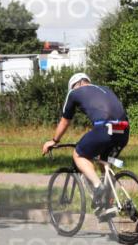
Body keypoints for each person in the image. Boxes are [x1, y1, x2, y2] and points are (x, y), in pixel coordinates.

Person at [41, 73, 130, 213]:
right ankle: (109, 202)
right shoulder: (105, 89)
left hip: (104, 128)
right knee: (104, 162)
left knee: (78, 154)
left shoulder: (73, 93)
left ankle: (98, 187)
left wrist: (54, 141)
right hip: (123, 129)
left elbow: (65, 121)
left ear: (73, 86)